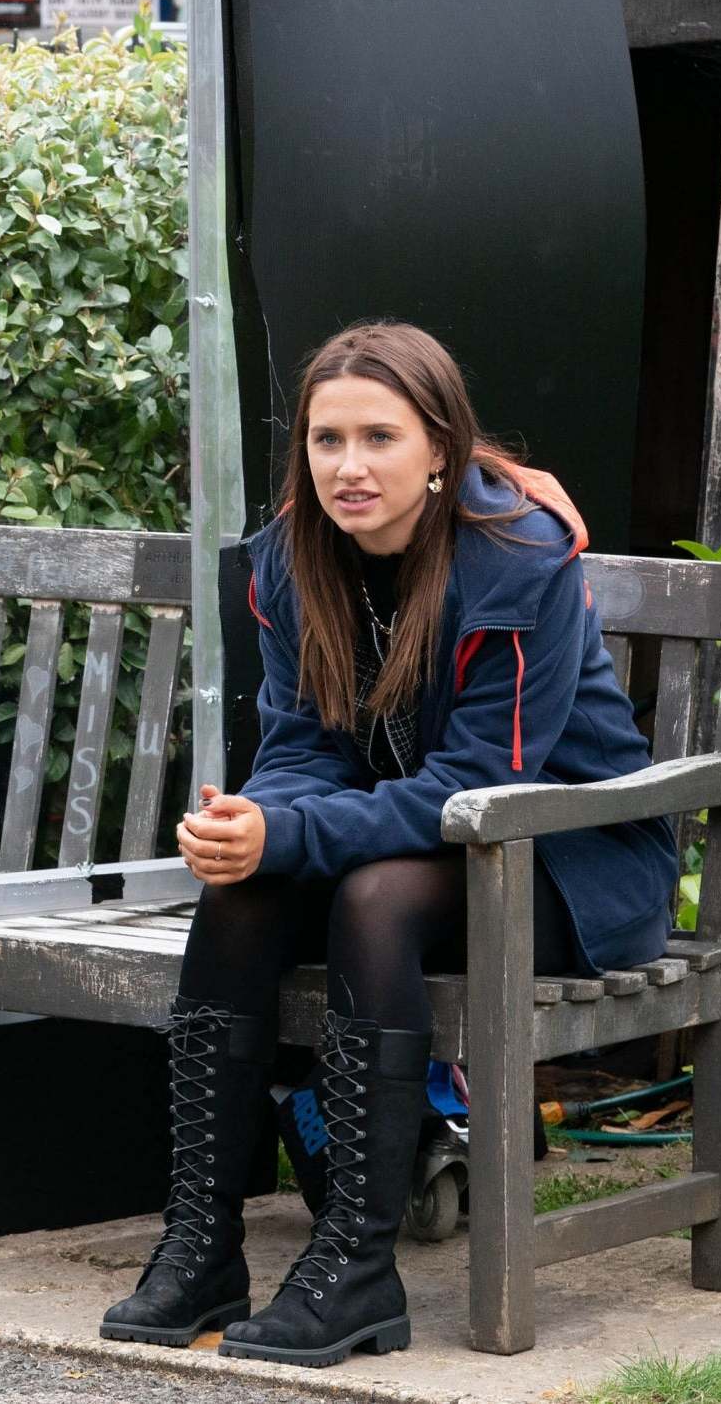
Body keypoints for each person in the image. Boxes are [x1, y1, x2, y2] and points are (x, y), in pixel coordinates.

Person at [99, 320, 674, 1368]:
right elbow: (300, 750)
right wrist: (252, 827)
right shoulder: (287, 558)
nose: (348, 466)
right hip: (419, 855)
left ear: (440, 449)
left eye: (379, 437)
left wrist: (296, 828)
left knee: (372, 897)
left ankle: (355, 1265)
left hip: (567, 859)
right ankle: (201, 1243)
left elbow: (478, 788)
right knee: (243, 893)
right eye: (326, 440)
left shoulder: (516, 560)